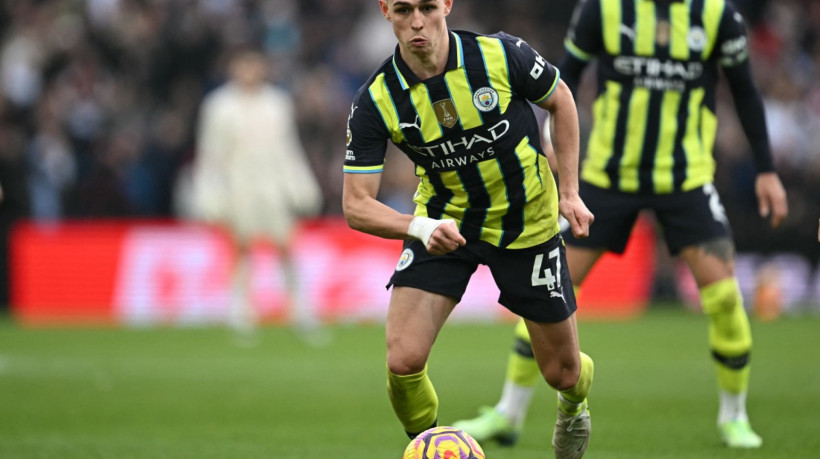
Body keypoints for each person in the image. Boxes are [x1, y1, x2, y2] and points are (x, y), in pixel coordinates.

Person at [453, 0, 789, 450]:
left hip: (685, 177)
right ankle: (508, 412)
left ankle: (735, 417)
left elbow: (745, 90)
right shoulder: (604, 10)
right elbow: (562, 78)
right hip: (609, 176)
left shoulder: (717, 16)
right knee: (546, 291)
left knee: (724, 296)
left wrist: (766, 170)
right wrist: (549, 139)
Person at [342, 1, 595, 457]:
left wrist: (570, 192)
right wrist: (419, 226)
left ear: (447, 6)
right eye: (403, 10)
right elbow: (356, 205)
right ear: (385, 11)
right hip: (445, 222)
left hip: (527, 219)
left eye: (426, 7)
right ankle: (434, 448)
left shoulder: (499, 55)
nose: (416, 22)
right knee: (403, 361)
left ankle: (574, 406)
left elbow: (562, 100)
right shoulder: (377, 97)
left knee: (564, 373)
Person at [190, 48, 324, 343]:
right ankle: (241, 314)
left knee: (287, 247)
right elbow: (211, 154)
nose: (249, 71)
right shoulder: (218, 106)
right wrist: (209, 192)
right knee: (240, 248)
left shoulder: (277, 103)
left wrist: (302, 186)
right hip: (238, 186)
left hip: (273, 185)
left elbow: (289, 148)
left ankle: (301, 312)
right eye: (243, 65)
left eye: (254, 65)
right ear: (233, 68)